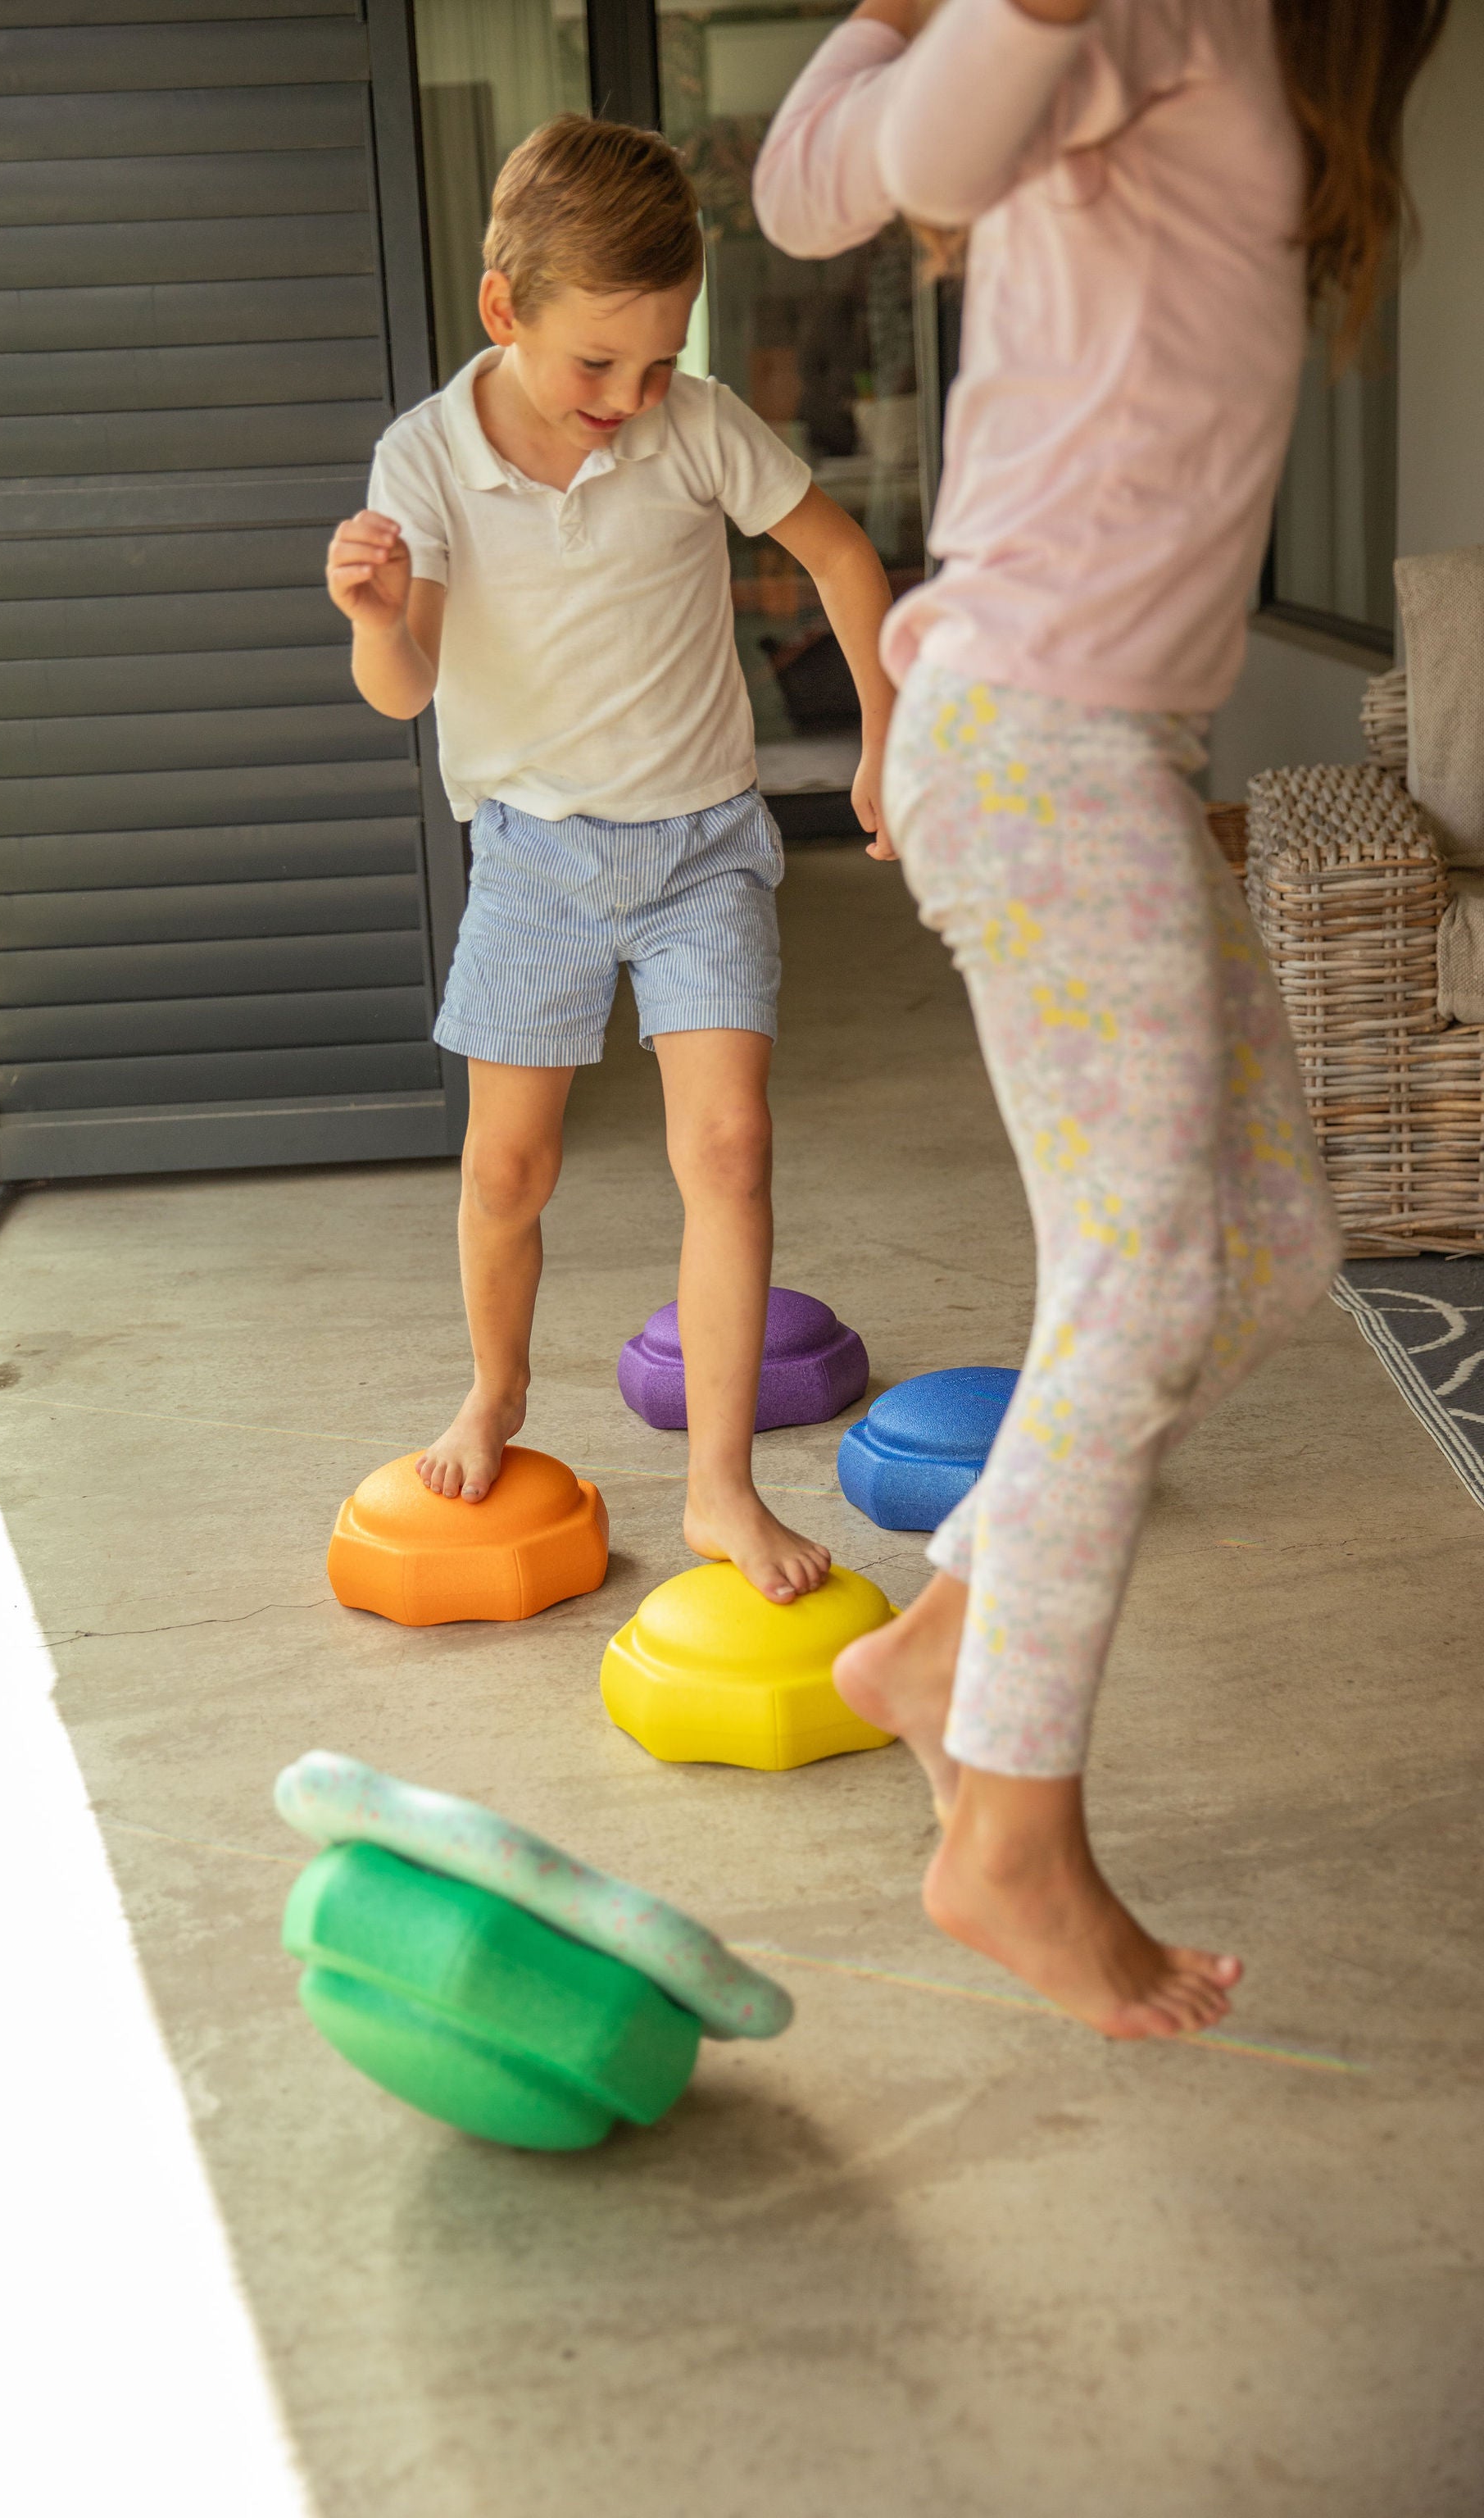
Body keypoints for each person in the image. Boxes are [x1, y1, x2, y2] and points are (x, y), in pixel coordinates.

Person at [753, 0, 1447, 2034]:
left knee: (1270, 1239)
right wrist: (936, 19)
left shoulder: (1229, 42)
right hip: (1040, 739)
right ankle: (1011, 1829)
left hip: (1108, 746)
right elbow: (852, 181)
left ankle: (940, 1639)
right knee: (1140, 1280)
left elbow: (852, 174)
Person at [327, 116, 900, 1603]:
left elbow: (843, 558)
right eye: (599, 364)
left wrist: (885, 737)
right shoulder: (425, 458)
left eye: (658, 362)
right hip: (535, 861)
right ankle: (497, 1391)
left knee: (729, 1148)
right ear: (503, 308)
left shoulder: (696, 425)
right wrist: (377, 618)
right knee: (508, 1168)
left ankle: (719, 1487)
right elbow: (404, 687)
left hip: (705, 846)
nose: (630, 399)